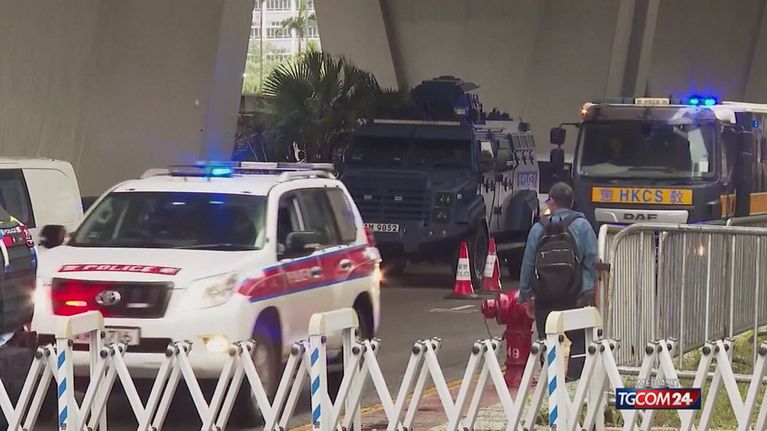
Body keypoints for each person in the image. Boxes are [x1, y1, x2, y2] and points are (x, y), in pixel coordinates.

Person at [519, 182, 598, 381]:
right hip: (575, 294)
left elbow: (528, 263)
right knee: (579, 338)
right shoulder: (583, 226)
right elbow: (592, 262)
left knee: (547, 339)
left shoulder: (538, 228)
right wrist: (590, 291)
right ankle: (574, 380)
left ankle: (550, 381)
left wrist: (526, 295)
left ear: (552, 201)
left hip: (544, 294)